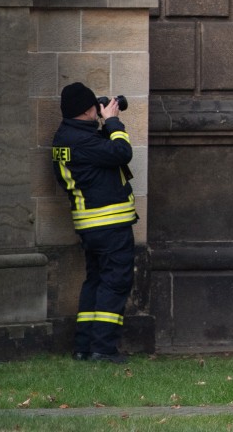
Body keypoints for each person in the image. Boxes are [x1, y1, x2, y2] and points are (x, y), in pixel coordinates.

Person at [51, 82, 136, 364]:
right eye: (94, 109)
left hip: (90, 226)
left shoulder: (65, 137)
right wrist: (113, 121)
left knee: (96, 283)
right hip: (110, 224)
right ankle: (103, 349)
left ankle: (83, 347)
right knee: (115, 283)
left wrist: (102, 123)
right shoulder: (83, 141)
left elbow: (97, 151)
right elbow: (122, 152)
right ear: (88, 110)